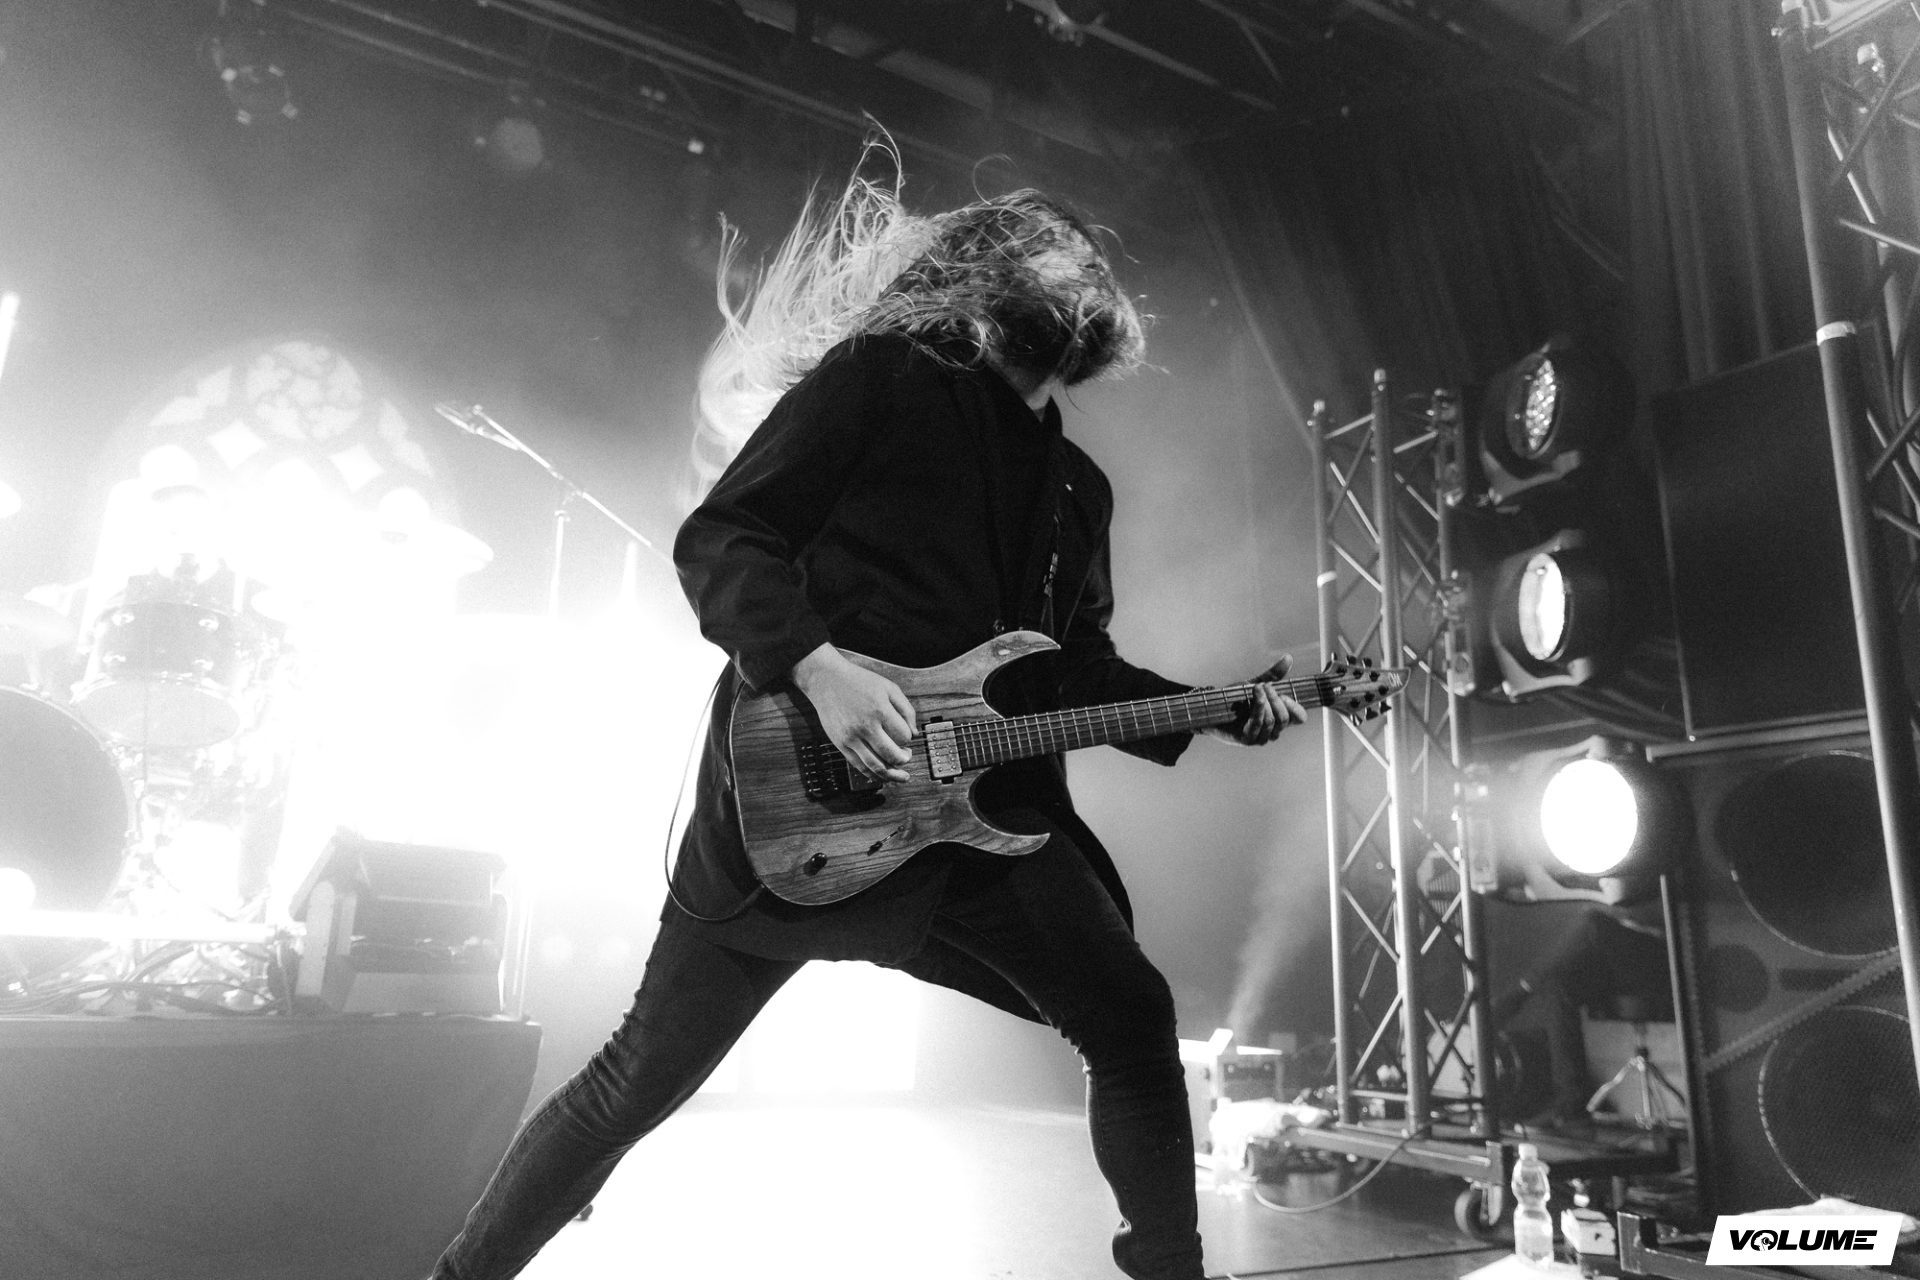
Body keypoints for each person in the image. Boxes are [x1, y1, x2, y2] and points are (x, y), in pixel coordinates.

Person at [429, 153, 1306, 1280]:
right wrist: (821, 669)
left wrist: (1214, 710)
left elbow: (1070, 670)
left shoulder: (1078, 490)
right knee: (635, 1079)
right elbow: (725, 538)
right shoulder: (882, 380)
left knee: (1129, 1014)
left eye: (1092, 257)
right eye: (1055, 247)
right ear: (991, 271)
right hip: (802, 798)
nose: (1083, 265)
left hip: (970, 824)